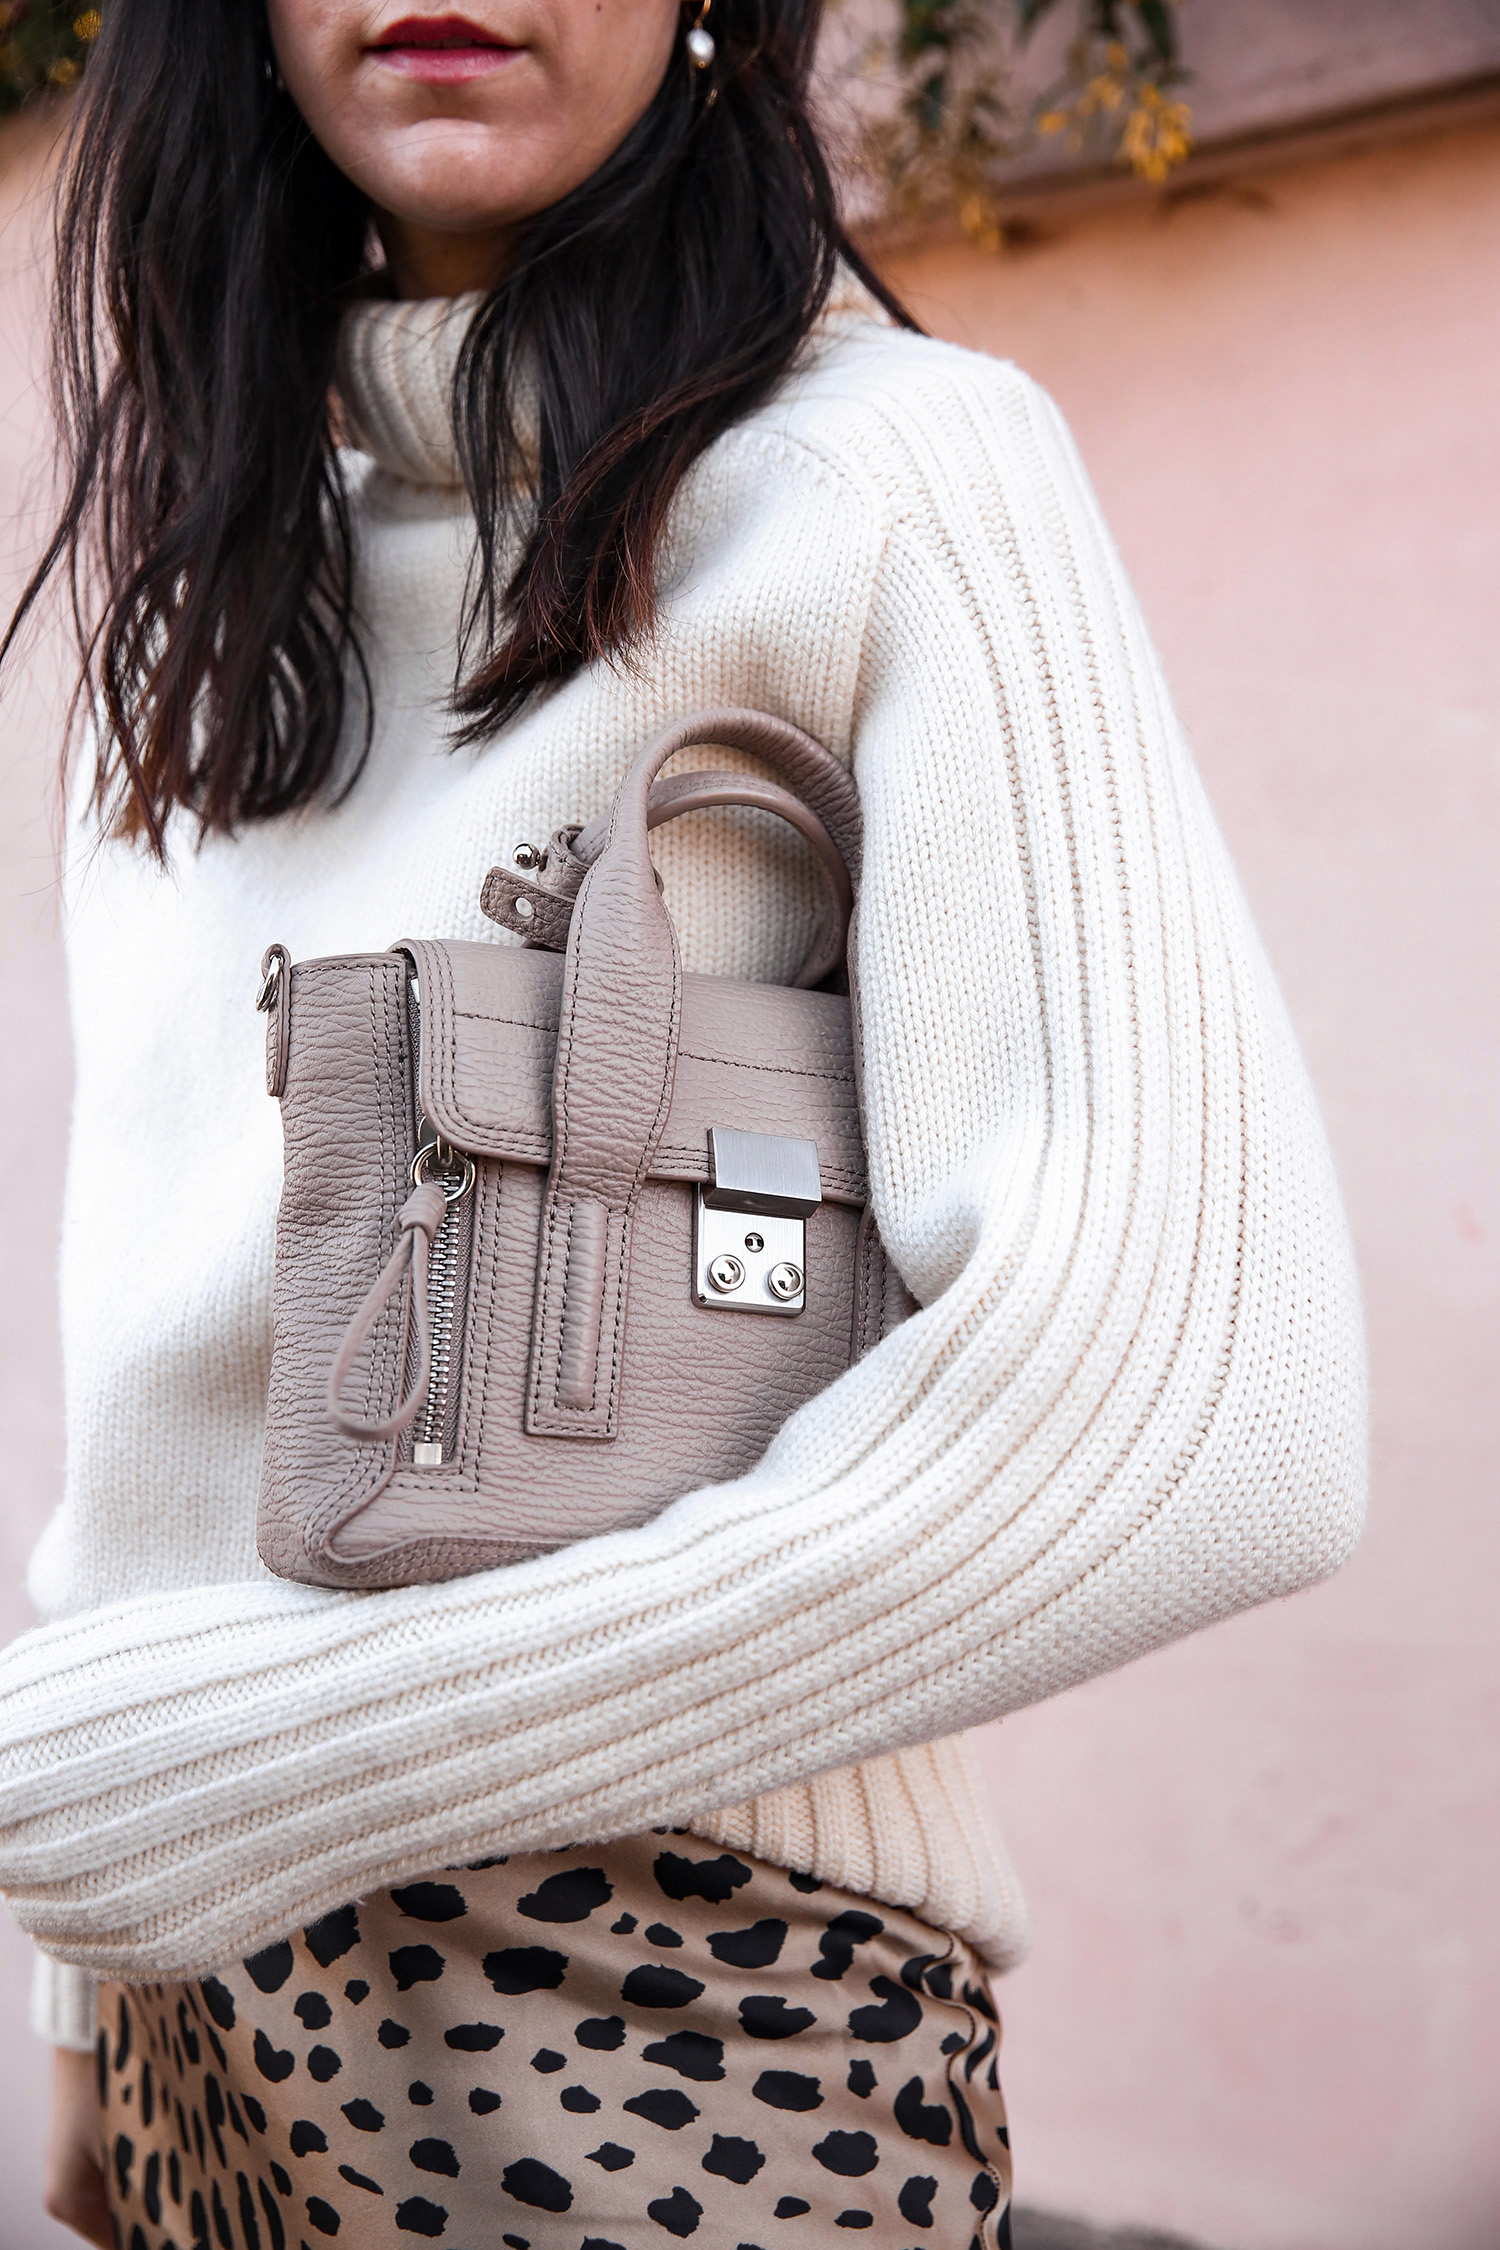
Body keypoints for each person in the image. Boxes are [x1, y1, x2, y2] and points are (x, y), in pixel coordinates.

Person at [0, 0, 1367, 2243]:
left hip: (661, 2010)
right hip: (195, 2015)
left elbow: (1206, 1410)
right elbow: (169, 1351)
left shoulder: (890, 476)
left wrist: (243, 1773)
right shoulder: (200, 597)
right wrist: (92, 1989)